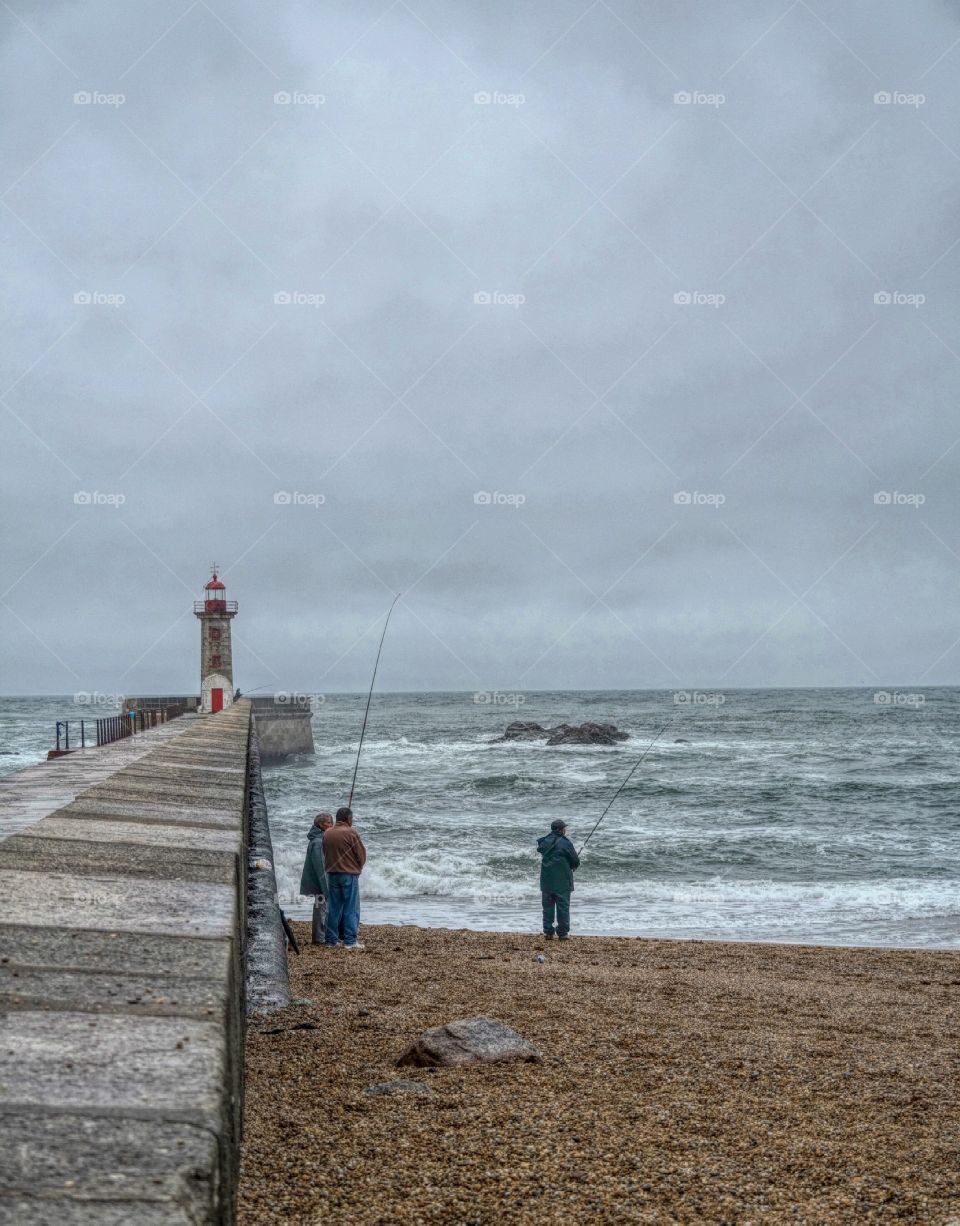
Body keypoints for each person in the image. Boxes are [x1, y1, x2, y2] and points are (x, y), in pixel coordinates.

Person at [323, 806, 367, 949]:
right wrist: (358, 867)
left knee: (334, 908)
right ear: (348, 819)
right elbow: (361, 855)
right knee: (350, 908)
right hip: (349, 875)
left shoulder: (327, 833)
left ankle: (331, 940)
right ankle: (350, 941)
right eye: (351, 818)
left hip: (332, 874)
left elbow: (325, 852)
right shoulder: (351, 833)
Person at [537, 818, 580, 940]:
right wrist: (573, 865)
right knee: (562, 907)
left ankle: (548, 932)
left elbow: (542, 850)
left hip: (547, 882)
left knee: (548, 907)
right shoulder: (566, 843)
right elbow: (575, 861)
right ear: (561, 830)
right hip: (562, 883)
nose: (565, 830)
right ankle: (562, 933)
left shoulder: (544, 842)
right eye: (564, 828)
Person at [299, 813, 332, 944]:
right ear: (320, 825)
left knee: (320, 908)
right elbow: (321, 868)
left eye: (331, 822)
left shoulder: (319, 839)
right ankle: (319, 938)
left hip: (317, 881)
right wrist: (326, 888)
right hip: (319, 882)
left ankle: (319, 937)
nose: (331, 825)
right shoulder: (318, 842)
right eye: (328, 823)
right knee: (321, 909)